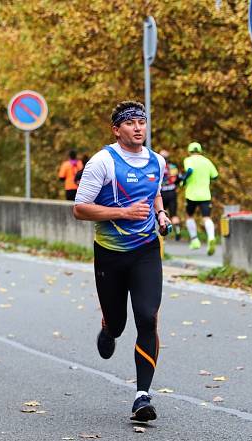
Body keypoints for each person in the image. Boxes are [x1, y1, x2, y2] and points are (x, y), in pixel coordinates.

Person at [73, 100, 171, 423]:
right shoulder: (102, 162)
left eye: (142, 122)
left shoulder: (157, 161)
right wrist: (123, 213)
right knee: (119, 322)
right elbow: (80, 208)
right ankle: (108, 327)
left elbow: (154, 192)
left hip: (146, 251)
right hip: (110, 255)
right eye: (130, 123)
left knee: (147, 317)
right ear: (117, 130)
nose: (138, 127)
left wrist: (160, 213)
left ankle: (142, 395)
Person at [182, 142, 219, 255]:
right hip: (205, 194)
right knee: (206, 217)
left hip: (191, 194)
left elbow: (189, 171)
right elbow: (215, 176)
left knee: (189, 216)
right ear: (200, 150)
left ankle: (194, 240)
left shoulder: (188, 160)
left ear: (189, 151)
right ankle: (211, 237)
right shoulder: (207, 161)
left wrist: (184, 180)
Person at [158, 149, 182, 241]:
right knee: (174, 214)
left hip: (161, 193)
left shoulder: (157, 167)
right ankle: (178, 230)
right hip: (172, 192)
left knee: (160, 214)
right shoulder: (173, 167)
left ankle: (162, 236)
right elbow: (177, 180)